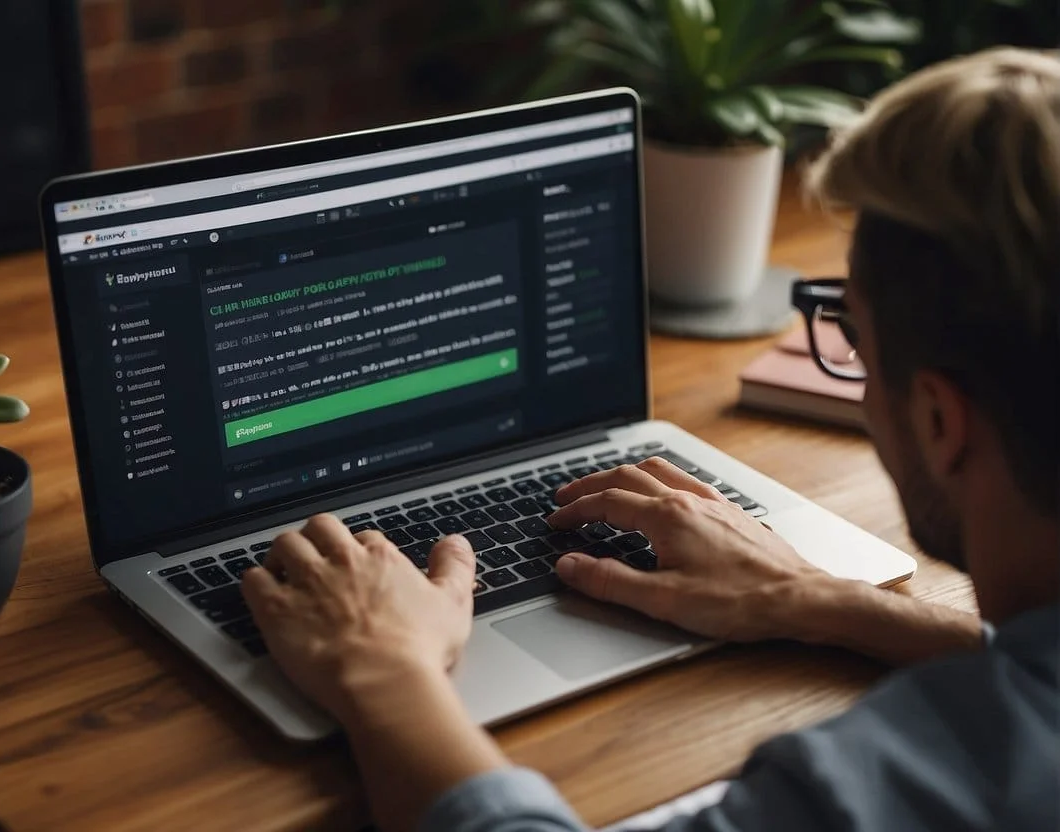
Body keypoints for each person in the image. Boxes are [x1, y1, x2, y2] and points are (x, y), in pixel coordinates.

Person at [239, 47, 1059, 832]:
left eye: (853, 344)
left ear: (940, 423)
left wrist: (384, 670)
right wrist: (828, 603)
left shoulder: (933, 778)